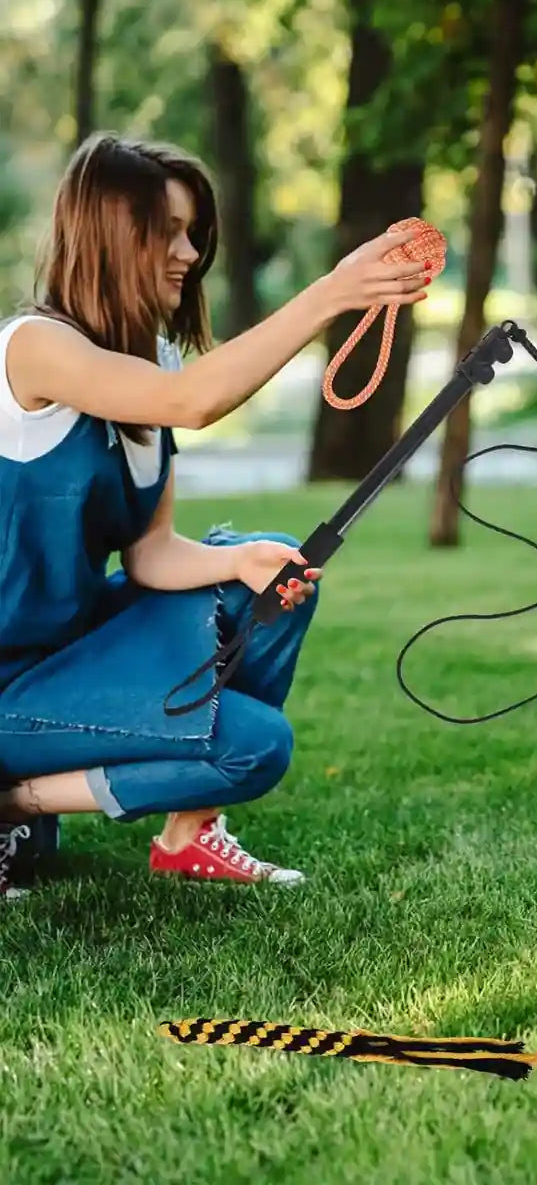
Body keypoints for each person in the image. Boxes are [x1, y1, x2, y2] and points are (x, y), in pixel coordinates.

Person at [0, 133, 430, 898]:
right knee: (255, 745)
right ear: (110, 232)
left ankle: (181, 833)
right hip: (9, 682)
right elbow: (192, 402)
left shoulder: (153, 359)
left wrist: (240, 562)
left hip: (69, 653)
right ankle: (14, 802)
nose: (190, 253)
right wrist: (333, 293)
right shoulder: (33, 349)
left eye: (193, 232)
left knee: (274, 572)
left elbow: (151, 553)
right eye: (168, 231)